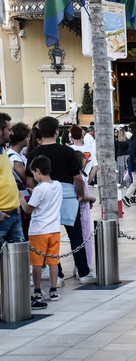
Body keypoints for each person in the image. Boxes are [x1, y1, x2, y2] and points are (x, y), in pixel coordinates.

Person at [25, 116, 96, 285]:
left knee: (49, 237)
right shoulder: (67, 151)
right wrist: (82, 195)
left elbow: (29, 180)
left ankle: (57, 275)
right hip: (67, 196)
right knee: (76, 236)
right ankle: (83, 272)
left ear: (40, 133)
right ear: (57, 131)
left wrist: (38, 193)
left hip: (44, 198)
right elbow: (78, 177)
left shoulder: (34, 153)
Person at [19, 155, 63, 305]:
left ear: (38, 171)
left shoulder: (39, 189)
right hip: (54, 229)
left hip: (38, 231)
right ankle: (53, 289)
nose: (34, 177)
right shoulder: (57, 185)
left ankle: (37, 290)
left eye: (33, 173)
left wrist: (21, 199)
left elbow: (29, 210)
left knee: (37, 262)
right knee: (53, 260)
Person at [0, 113, 25, 247]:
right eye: (9, 130)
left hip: (14, 213)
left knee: (17, 262)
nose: (12, 133)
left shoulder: (3, 150)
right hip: (2, 216)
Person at [73, 151, 96, 277]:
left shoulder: (81, 175)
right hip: (82, 210)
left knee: (84, 237)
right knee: (84, 237)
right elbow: (81, 196)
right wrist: (91, 198)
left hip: (84, 209)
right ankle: (83, 265)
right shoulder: (78, 177)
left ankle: (79, 265)